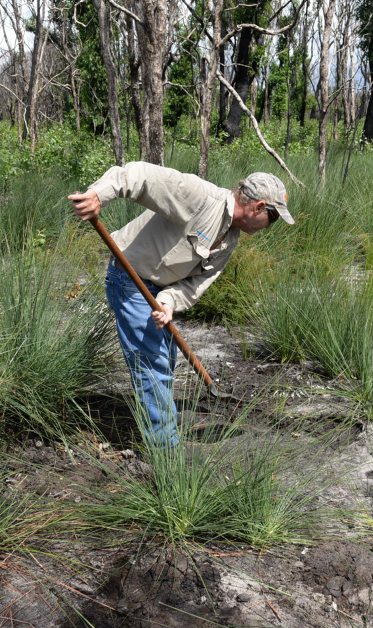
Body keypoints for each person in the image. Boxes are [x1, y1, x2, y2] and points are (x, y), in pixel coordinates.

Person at [68, 162, 294, 449]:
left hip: (158, 289)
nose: (269, 227)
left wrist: (168, 301)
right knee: (152, 363)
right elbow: (137, 176)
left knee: (166, 358)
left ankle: (162, 424)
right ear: (258, 207)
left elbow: (197, 283)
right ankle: (165, 449)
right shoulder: (199, 197)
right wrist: (98, 195)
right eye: (272, 219)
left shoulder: (229, 237)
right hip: (130, 279)